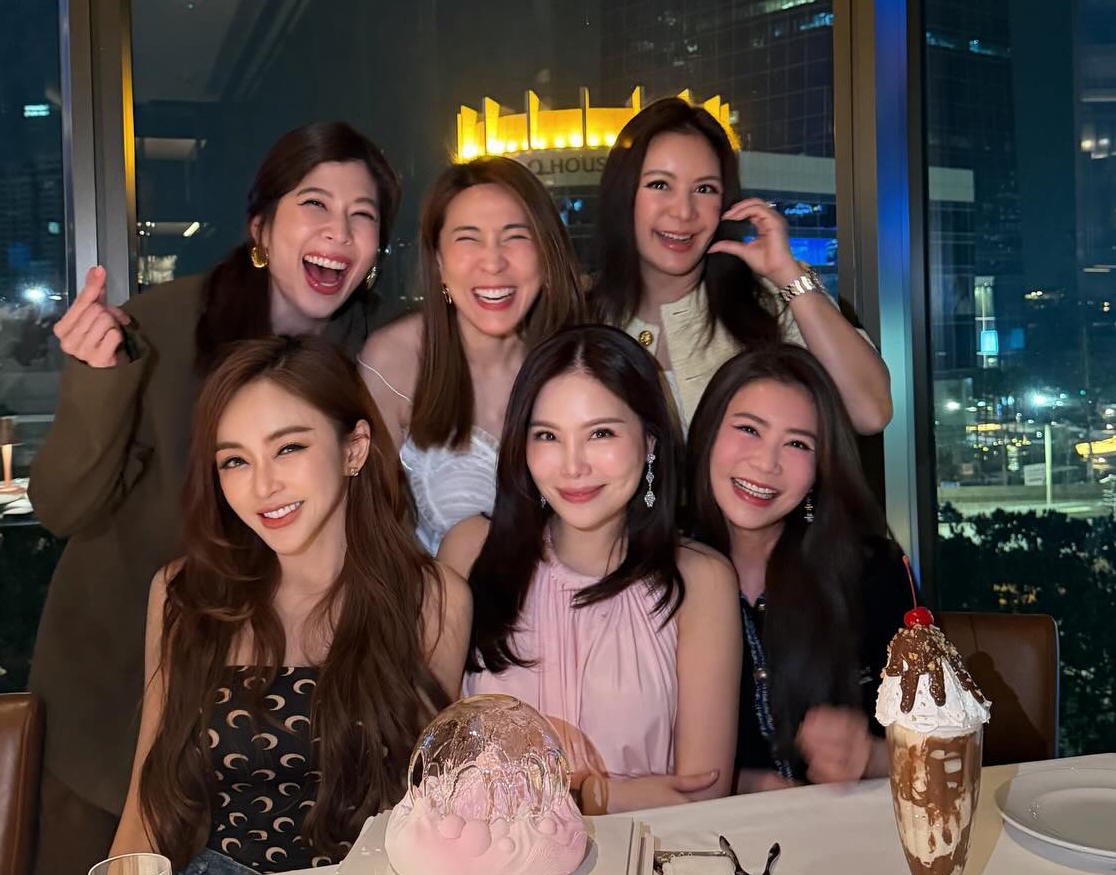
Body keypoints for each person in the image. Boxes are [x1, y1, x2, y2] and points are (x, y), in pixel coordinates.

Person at [27, 121, 399, 875]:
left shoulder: (380, 353)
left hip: (276, 720)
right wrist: (97, 377)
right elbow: (63, 506)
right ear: (260, 228)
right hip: (119, 692)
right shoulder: (161, 328)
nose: (339, 232)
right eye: (315, 204)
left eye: (362, 215)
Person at [110, 338, 470, 875]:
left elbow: (431, 809)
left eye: (288, 448)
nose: (263, 486)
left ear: (354, 449)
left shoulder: (432, 599)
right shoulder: (185, 593)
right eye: (235, 460)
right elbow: (149, 794)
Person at [443, 324, 740, 812]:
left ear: (650, 441)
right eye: (547, 436)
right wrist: (598, 793)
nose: (573, 466)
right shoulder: (470, 549)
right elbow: (429, 766)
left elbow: (703, 794)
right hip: (482, 858)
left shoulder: (700, 580)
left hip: (645, 858)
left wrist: (547, 789)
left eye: (600, 433)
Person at [589, 96, 892, 435]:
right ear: (623, 194)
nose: (683, 211)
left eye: (705, 189)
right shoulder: (581, 315)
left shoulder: (769, 303)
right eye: (660, 185)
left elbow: (871, 412)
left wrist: (787, 274)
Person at [685, 344, 912, 792]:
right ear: (708, 432)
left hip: (849, 830)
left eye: (797, 444)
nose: (765, 463)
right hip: (711, 832)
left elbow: (949, 742)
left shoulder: (872, 571)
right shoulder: (655, 573)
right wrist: (740, 785)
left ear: (821, 466)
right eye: (749, 429)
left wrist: (871, 755)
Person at [360, 157, 585, 552]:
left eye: (515, 236)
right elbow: (373, 526)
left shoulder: (578, 363)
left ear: (545, 254)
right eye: (468, 238)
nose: (493, 262)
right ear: (439, 261)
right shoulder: (394, 359)